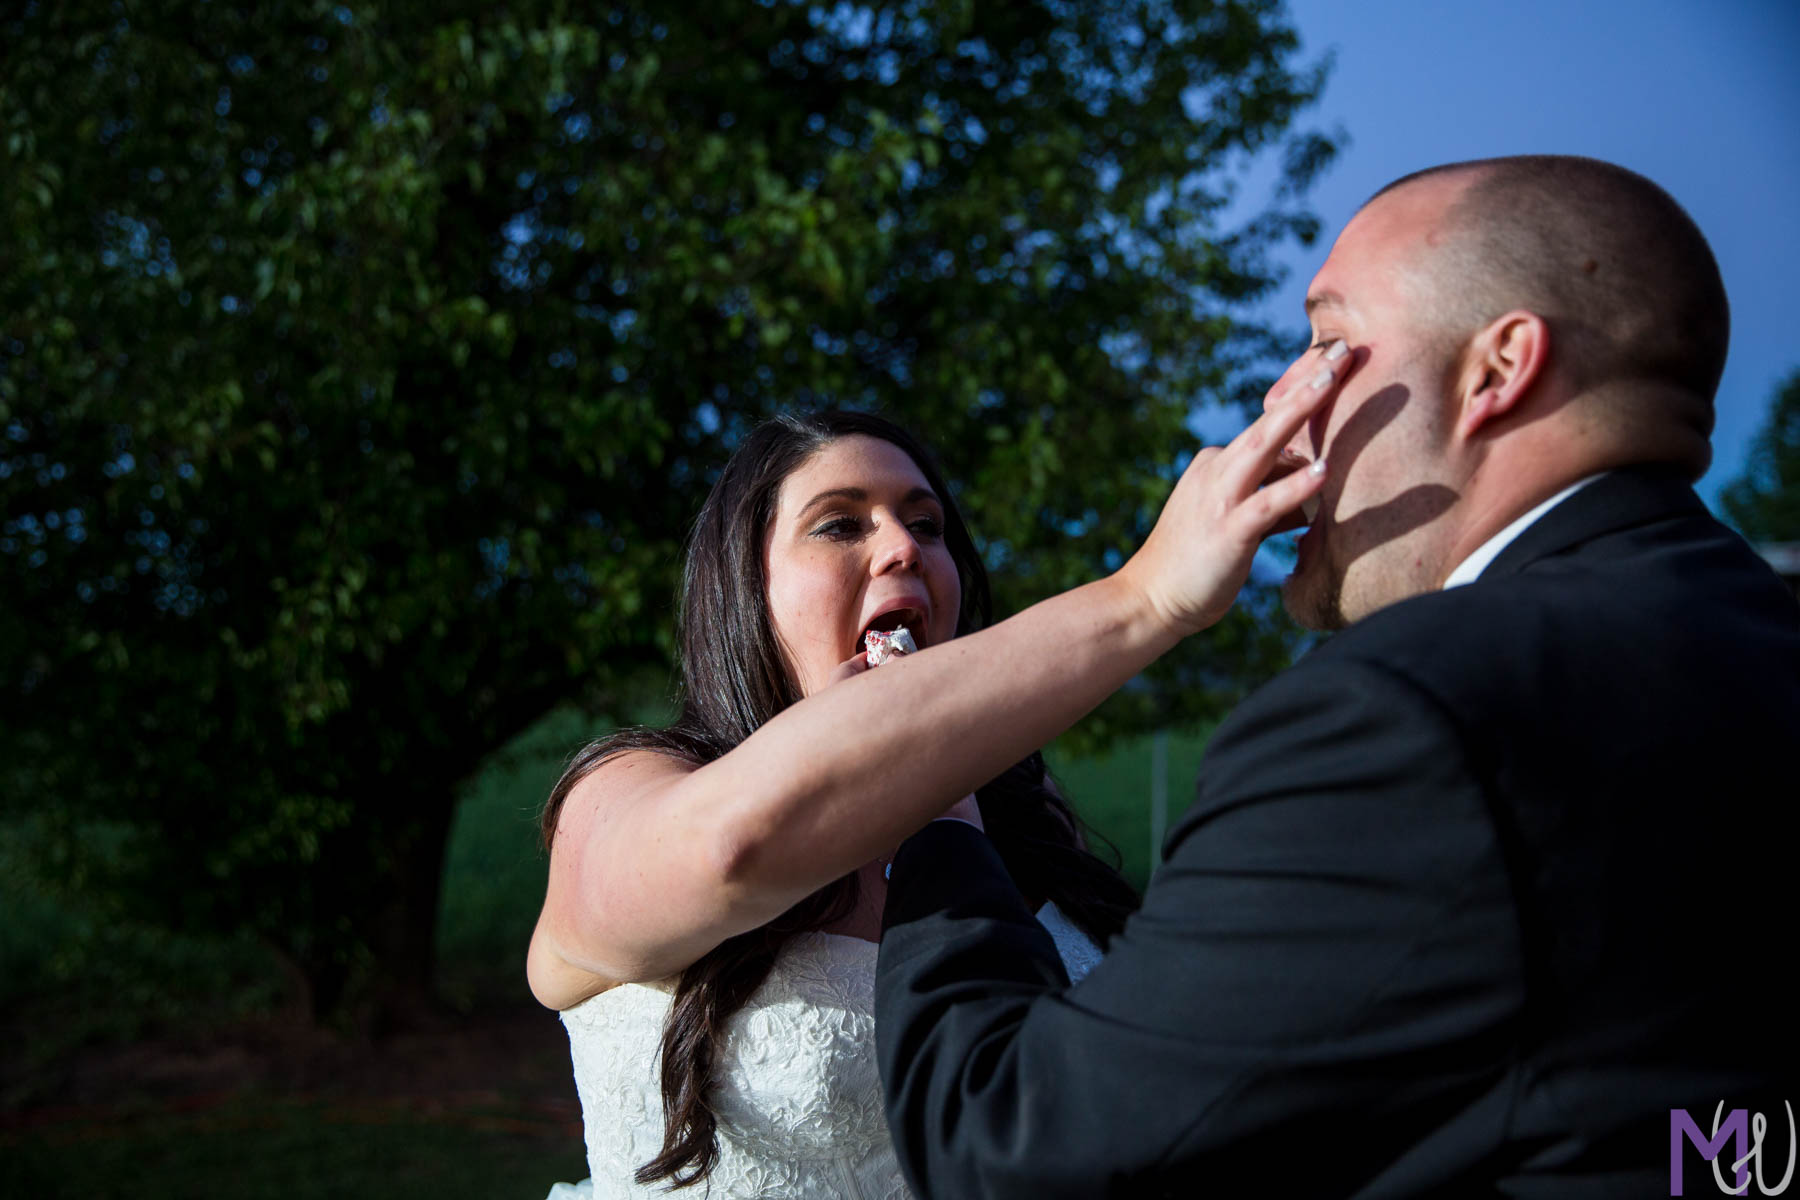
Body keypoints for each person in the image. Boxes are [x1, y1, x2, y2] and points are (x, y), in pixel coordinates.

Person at [874, 154, 1800, 1198]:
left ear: (1497, 371)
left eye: (1325, 342)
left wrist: (936, 811)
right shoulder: (1762, 644)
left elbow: (1011, 1151)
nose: (1280, 397)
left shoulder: (1409, 714)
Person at [528, 401, 1336, 1197]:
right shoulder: (622, 791)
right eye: (840, 524)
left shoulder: (1024, 813)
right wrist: (1147, 598)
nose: (903, 547)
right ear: (746, 590)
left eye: (928, 524)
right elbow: (728, 850)